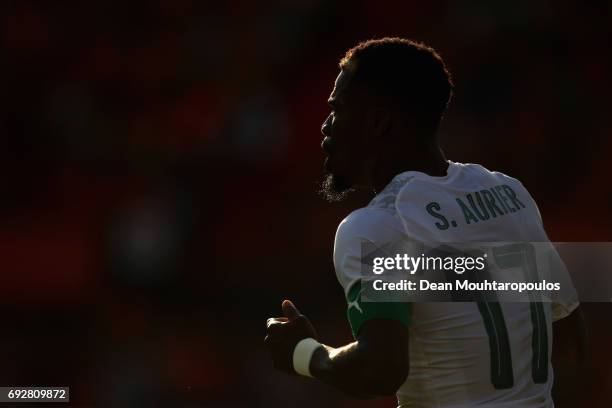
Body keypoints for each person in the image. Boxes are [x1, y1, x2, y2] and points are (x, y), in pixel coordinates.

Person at [264, 37, 585, 407]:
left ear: (378, 121)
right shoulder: (509, 193)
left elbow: (380, 370)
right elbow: (570, 339)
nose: (326, 126)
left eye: (337, 109)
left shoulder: (376, 226)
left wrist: (304, 353)